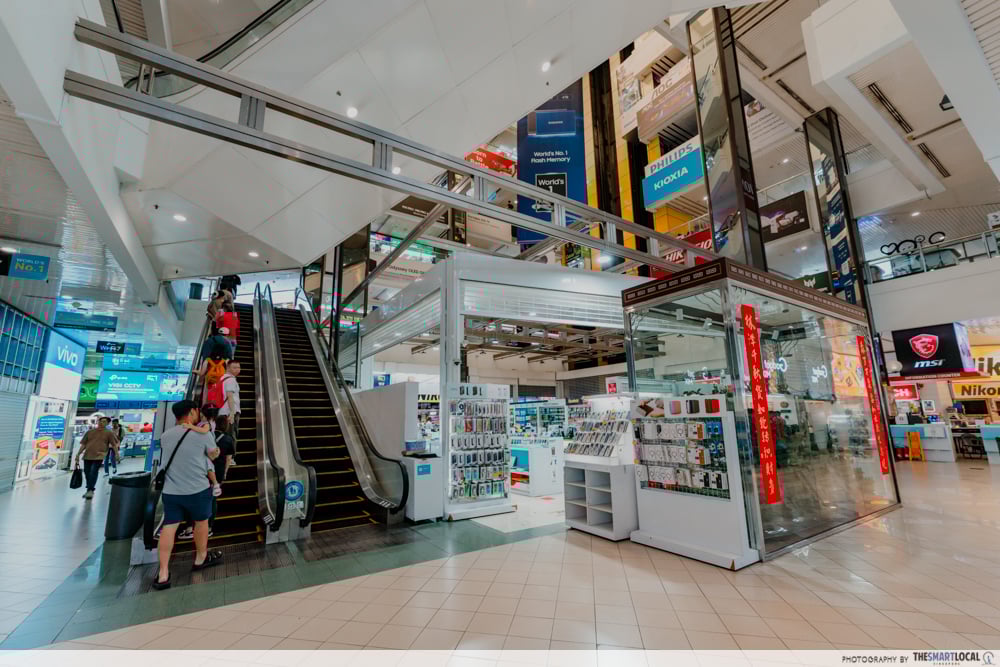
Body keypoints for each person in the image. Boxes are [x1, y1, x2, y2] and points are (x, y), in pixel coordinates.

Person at [153, 400, 223, 590]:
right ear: (192, 412)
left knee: (169, 527)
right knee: (201, 523)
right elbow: (213, 455)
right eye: (197, 411)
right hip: (197, 489)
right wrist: (216, 451)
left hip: (171, 491)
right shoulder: (202, 434)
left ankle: (163, 573)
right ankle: (200, 558)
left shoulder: (166, 435)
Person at [75, 417, 119, 499]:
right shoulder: (90, 432)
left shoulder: (109, 433)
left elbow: (114, 445)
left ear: (107, 423)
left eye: (104, 422)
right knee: (87, 472)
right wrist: (78, 454)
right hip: (88, 455)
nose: (101, 423)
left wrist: (116, 454)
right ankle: (89, 488)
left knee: (93, 471)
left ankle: (90, 490)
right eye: (100, 421)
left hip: (100, 455)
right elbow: (84, 444)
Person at [208, 414, 236, 534]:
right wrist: (225, 473)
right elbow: (228, 459)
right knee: (213, 499)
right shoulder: (229, 439)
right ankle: (209, 527)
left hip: (204, 470)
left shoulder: (208, 436)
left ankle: (194, 525)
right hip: (218, 471)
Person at [217, 360, 241, 445]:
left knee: (224, 437)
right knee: (231, 437)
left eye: (239, 367)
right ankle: (230, 454)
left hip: (222, 411)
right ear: (227, 368)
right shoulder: (231, 380)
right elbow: (230, 396)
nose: (237, 370)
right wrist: (232, 413)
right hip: (229, 412)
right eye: (234, 367)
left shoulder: (222, 378)